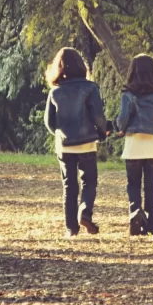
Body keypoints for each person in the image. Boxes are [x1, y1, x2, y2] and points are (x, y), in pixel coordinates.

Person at [44, 47, 110, 236]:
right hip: (87, 143)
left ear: (58, 68)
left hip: (64, 145)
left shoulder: (55, 93)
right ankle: (85, 212)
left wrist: (60, 134)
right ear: (82, 65)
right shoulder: (91, 88)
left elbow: (49, 123)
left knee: (69, 186)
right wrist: (101, 132)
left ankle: (71, 228)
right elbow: (98, 116)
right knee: (89, 181)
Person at [114, 54, 153, 236]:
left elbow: (122, 120)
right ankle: (152, 225)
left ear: (133, 74)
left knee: (133, 185)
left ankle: (135, 213)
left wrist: (119, 128)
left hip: (133, 147)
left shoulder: (128, 96)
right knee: (151, 188)